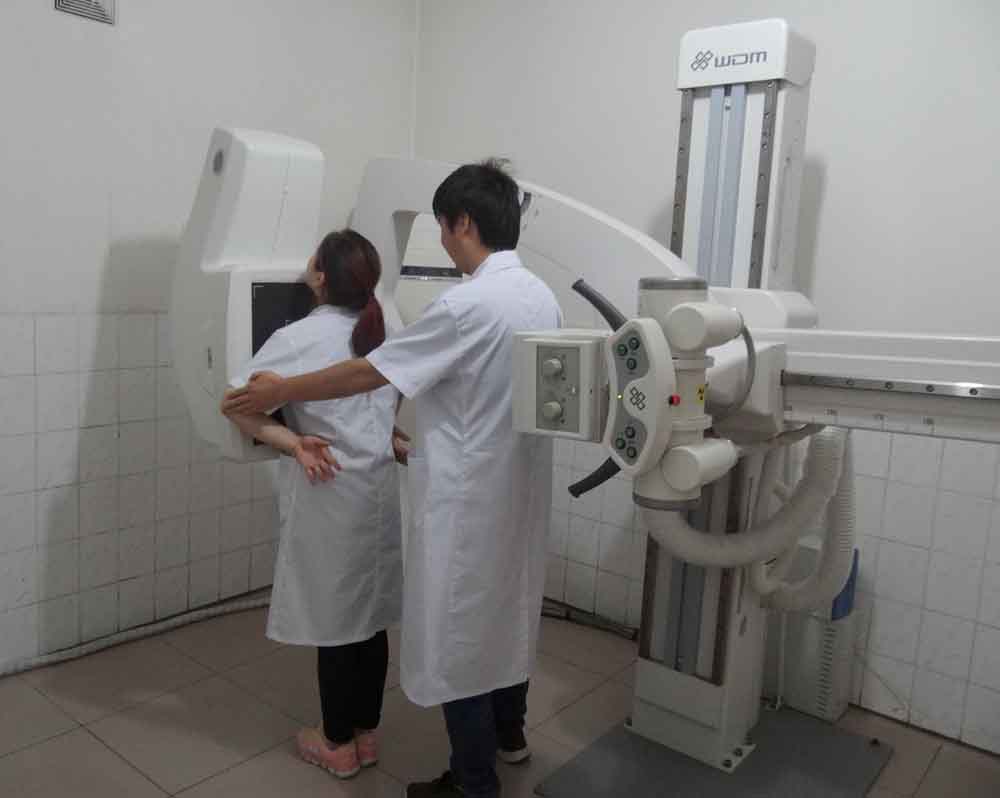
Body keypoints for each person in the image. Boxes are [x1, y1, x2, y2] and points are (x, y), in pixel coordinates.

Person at [223, 159, 562, 798]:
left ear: (464, 223)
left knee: (458, 638)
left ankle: (471, 781)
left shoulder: (464, 305)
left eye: (442, 227)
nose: (443, 241)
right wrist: (389, 438)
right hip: (510, 490)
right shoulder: (540, 297)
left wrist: (284, 395)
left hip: (464, 499)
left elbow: (370, 374)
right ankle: (507, 737)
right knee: (502, 619)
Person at [221, 229, 408, 780]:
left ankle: (336, 744)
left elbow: (234, 404)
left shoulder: (297, 337)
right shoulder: (386, 329)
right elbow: (388, 395)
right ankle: (366, 735)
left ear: (321, 276)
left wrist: (292, 442)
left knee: (336, 622)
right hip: (377, 489)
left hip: (329, 489)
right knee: (371, 618)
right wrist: (382, 430)